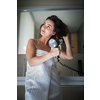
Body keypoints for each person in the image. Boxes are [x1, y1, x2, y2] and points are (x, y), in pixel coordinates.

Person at [25, 15, 73, 100]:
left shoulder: (52, 47)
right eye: (44, 24)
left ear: (53, 33)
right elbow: (31, 62)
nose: (44, 27)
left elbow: (69, 56)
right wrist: (50, 54)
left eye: (48, 26)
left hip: (53, 85)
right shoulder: (32, 42)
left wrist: (66, 39)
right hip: (35, 85)